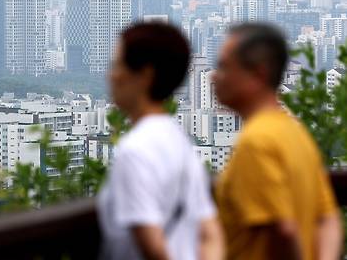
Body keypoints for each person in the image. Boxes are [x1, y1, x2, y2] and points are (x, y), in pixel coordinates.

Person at [213, 22, 343, 260]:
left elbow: (282, 231)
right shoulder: (296, 133)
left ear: (258, 74)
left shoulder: (255, 142)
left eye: (223, 67)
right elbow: (329, 218)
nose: (214, 76)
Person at [98, 22, 223, 260]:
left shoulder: (134, 150)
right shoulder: (179, 140)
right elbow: (211, 233)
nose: (110, 75)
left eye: (117, 65)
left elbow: (153, 247)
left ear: (145, 75)